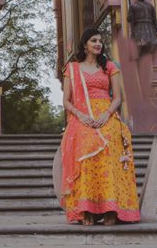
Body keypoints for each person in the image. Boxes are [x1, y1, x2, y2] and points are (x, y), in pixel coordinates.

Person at [58, 27, 140, 225]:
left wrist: (106, 114)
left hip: (107, 114)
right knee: (86, 143)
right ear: (85, 45)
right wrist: (80, 115)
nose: (98, 44)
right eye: (93, 40)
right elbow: (66, 101)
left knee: (111, 142)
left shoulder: (110, 66)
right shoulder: (73, 68)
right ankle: (88, 209)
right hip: (82, 116)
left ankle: (111, 208)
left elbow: (118, 98)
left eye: (100, 41)